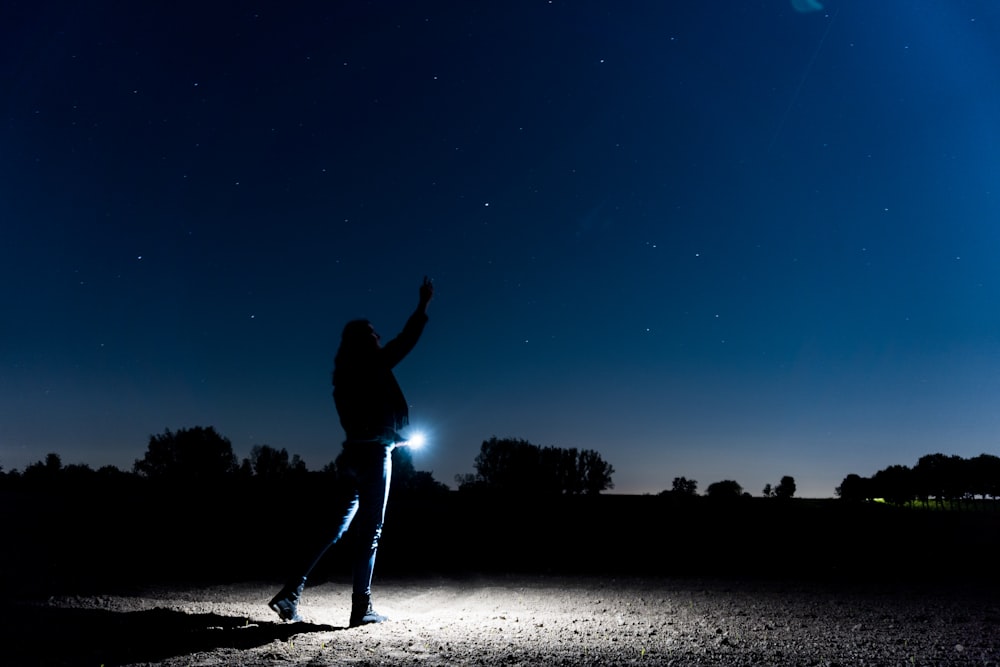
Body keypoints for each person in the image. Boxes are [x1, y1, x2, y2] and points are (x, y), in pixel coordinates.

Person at [269, 276, 434, 626]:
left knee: (333, 528)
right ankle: (362, 608)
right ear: (365, 340)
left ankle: (291, 592)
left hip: (351, 458)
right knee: (370, 531)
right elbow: (406, 341)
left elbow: (362, 427)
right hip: (374, 459)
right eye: (374, 333)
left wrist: (394, 438)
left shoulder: (342, 378)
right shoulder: (373, 366)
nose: (378, 336)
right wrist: (422, 306)